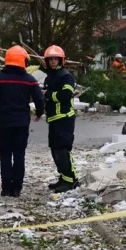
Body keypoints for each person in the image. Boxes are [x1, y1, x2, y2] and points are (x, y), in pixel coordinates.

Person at [0, 46, 45, 197]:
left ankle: (6, 188)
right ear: (23, 60)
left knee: (5, 155)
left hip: (5, 123)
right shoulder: (30, 80)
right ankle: (16, 188)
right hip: (22, 123)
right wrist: (39, 113)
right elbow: (39, 99)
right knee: (19, 155)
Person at [42, 45, 78, 191]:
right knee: (55, 149)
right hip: (53, 119)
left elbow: (66, 95)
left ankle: (70, 181)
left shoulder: (65, 76)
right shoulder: (50, 76)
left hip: (64, 118)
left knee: (63, 150)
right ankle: (63, 177)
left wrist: (49, 95)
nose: (53, 62)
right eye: (50, 59)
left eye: (55, 59)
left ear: (61, 60)